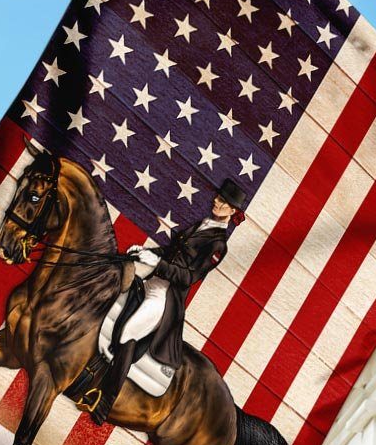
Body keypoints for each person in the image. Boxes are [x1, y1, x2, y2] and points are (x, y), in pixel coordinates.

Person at [71, 177, 247, 427]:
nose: (218, 203)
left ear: (233, 212)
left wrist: (157, 264)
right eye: (219, 198)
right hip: (153, 279)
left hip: (165, 296)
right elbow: (171, 251)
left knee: (127, 334)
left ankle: (103, 402)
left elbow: (189, 277)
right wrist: (146, 253)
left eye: (225, 203)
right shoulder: (201, 224)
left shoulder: (218, 245)